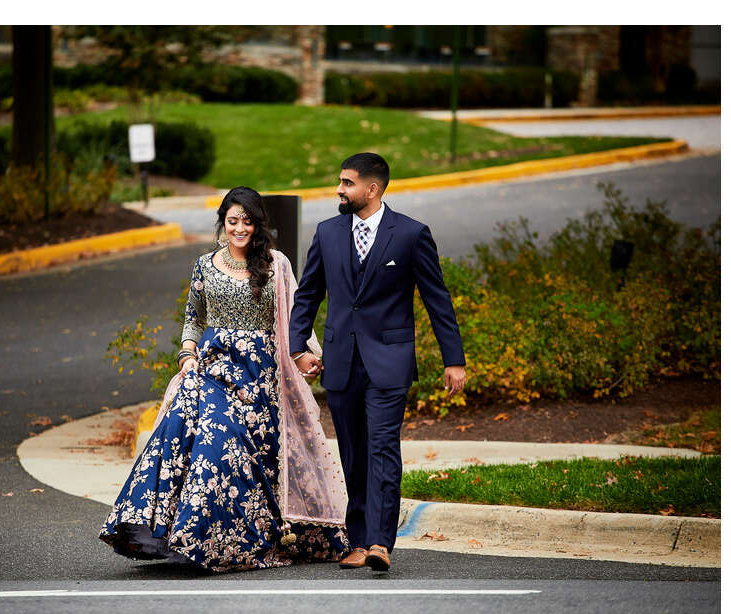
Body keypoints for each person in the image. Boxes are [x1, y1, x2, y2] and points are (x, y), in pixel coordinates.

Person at [99, 186, 349, 572]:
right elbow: (193, 319)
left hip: (259, 376)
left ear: (257, 224)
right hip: (212, 368)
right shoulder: (204, 264)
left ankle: (235, 541)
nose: (239, 228)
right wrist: (186, 356)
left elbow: (295, 317)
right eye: (233, 221)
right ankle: (184, 536)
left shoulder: (276, 264)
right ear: (223, 222)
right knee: (205, 432)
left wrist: (304, 355)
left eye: (247, 221)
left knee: (246, 452)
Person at [288, 153, 467, 573]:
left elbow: (437, 299)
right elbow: (308, 294)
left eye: (347, 183)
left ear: (372, 189)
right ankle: (356, 540)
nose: (339, 189)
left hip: (389, 361)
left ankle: (380, 543)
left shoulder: (410, 234)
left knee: (383, 447)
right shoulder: (328, 233)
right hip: (341, 361)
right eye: (340, 182)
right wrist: (300, 348)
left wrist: (453, 359)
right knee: (353, 453)